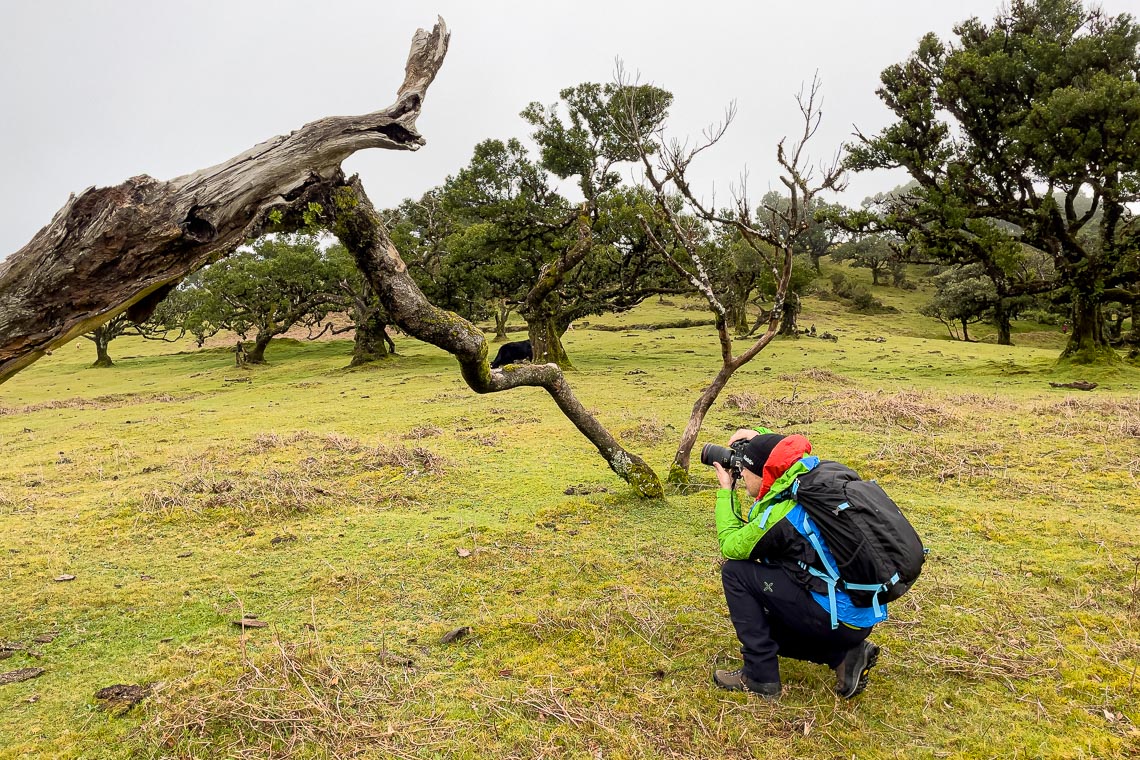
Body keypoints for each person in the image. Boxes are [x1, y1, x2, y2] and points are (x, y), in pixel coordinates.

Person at [711, 427, 884, 699]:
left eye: (745, 468)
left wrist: (726, 492)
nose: (741, 473)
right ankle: (845, 655)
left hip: (834, 615)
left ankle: (760, 677)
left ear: (763, 472)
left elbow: (731, 547)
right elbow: (780, 453)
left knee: (736, 575)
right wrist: (757, 436)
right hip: (858, 614)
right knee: (763, 609)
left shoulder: (784, 514)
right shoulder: (809, 479)